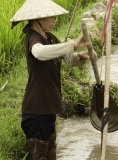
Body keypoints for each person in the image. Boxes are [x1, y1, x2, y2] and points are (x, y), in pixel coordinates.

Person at [10, 0, 97, 159]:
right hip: (36, 110)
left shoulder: (50, 37)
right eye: (50, 17)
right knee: (38, 155)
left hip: (49, 107)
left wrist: (82, 56)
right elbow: (40, 53)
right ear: (37, 19)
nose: (54, 20)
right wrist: (73, 45)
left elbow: (68, 59)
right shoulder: (32, 38)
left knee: (50, 154)